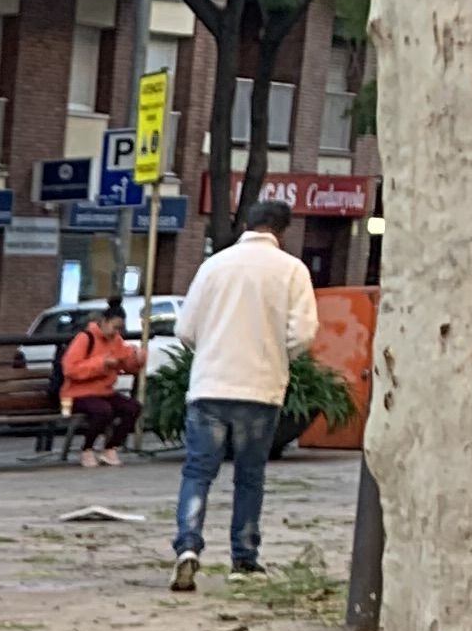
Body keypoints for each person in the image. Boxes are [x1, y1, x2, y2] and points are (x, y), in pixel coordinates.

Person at [168, 205, 319, 590]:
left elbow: (185, 328)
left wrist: (213, 347)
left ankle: (188, 546)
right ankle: (243, 559)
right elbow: (303, 333)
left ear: (247, 225)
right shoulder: (291, 270)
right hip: (260, 386)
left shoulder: (213, 266)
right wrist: (274, 352)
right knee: (250, 477)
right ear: (281, 231)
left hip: (210, 384)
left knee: (198, 472)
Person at [58, 302, 139, 466]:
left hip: (103, 392)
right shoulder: (85, 338)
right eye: (114, 327)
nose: (116, 332)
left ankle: (111, 448)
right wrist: (101, 364)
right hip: (75, 394)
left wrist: (136, 361)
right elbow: (70, 369)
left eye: (119, 329)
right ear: (103, 321)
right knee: (102, 410)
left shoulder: (116, 341)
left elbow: (126, 363)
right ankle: (87, 449)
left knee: (133, 407)